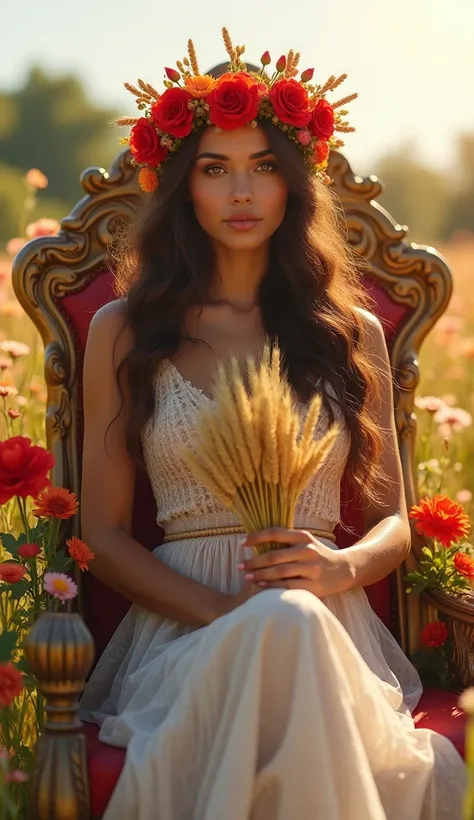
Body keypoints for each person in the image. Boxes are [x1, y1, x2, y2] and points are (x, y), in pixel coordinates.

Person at [78, 29, 466, 820]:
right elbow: (105, 534)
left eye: (263, 168)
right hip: (186, 636)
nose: (242, 193)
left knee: (290, 623)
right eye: (215, 170)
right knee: (279, 624)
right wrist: (239, 620)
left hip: (330, 624)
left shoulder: (349, 330)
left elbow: (394, 522)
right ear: (185, 186)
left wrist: (335, 571)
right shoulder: (125, 328)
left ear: (295, 185)